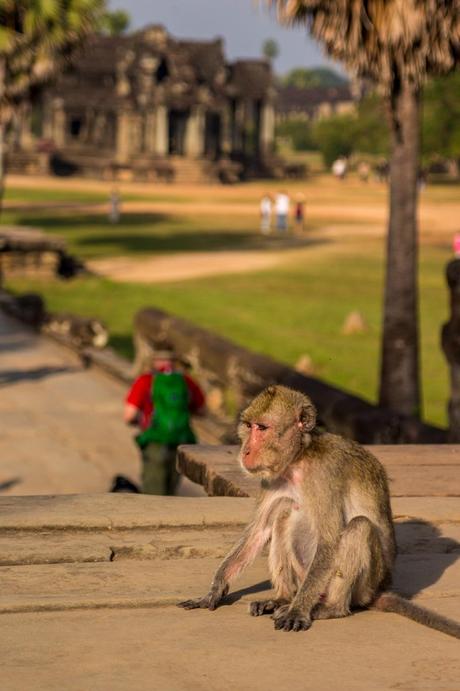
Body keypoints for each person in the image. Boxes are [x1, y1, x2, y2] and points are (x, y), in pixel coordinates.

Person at [124, 345, 205, 495]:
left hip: (155, 440)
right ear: (174, 361)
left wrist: (140, 422)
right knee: (170, 491)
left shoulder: (146, 380)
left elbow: (129, 415)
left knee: (153, 493)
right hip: (181, 441)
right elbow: (201, 410)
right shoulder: (186, 381)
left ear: (154, 360)